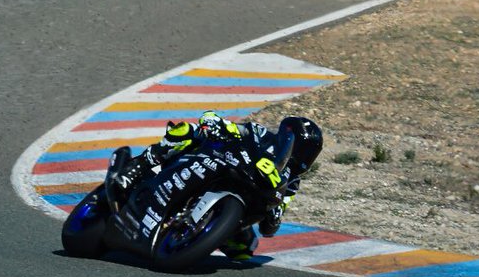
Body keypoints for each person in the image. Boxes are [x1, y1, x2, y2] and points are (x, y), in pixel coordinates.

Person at [111, 110, 323, 261]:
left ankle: (195, 235)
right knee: (186, 131)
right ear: (288, 138)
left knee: (245, 248)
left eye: (309, 153)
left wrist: (274, 217)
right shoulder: (261, 135)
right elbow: (232, 127)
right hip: (221, 164)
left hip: (248, 197)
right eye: (302, 149)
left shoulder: (292, 181)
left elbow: (275, 215)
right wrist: (214, 123)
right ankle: (137, 166)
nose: (304, 156)